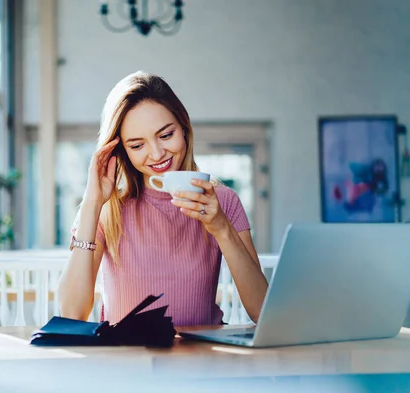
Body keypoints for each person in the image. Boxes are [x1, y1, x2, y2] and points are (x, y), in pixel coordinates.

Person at [58, 71, 268, 326]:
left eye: (166, 135)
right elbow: (71, 314)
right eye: (137, 146)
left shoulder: (222, 202)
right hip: (129, 360)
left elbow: (261, 312)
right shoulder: (106, 209)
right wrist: (91, 203)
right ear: (121, 151)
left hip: (202, 359)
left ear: (184, 129)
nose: (157, 154)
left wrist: (221, 227)